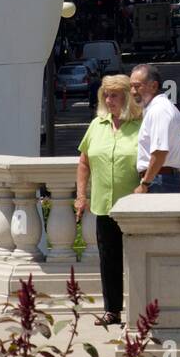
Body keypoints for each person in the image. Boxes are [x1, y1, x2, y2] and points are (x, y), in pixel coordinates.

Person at [75, 74, 142, 327]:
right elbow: (84, 162)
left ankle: (139, 311)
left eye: (114, 95)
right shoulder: (97, 125)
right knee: (109, 259)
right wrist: (81, 196)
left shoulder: (141, 125)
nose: (109, 99)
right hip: (104, 205)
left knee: (136, 259)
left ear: (126, 98)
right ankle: (112, 310)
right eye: (106, 95)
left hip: (134, 207)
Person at [130, 64, 180, 194]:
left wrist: (145, 183)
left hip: (159, 181)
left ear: (154, 86)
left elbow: (160, 151)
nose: (133, 91)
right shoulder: (160, 108)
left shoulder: (159, 111)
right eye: (130, 86)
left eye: (137, 86)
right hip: (162, 179)